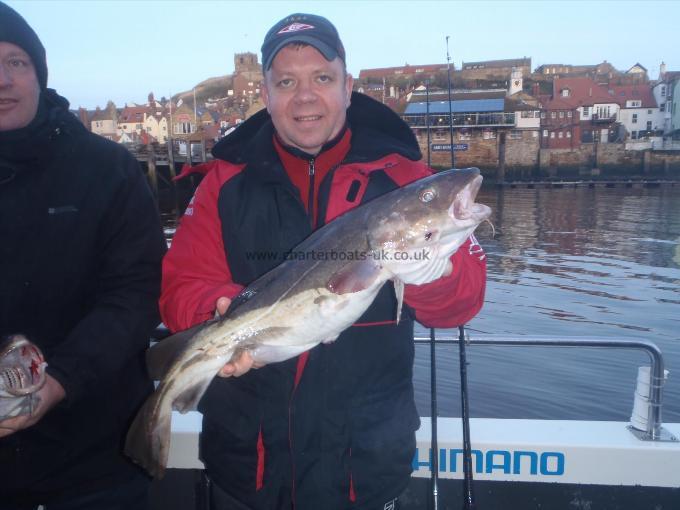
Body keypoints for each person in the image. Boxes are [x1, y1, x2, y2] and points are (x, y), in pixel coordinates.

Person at [161, 13, 486, 510]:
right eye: (286, 81)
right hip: (250, 468)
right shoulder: (223, 184)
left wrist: (434, 275)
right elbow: (181, 286)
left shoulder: (407, 181)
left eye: (322, 78)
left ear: (348, 87)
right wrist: (218, 309)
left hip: (365, 469)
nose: (305, 96)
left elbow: (462, 304)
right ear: (265, 94)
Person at [0, 3, 166, 508]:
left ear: (39, 73)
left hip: (95, 464)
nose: (2, 80)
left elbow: (136, 292)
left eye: (16, 62)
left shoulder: (107, 169)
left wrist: (59, 381)